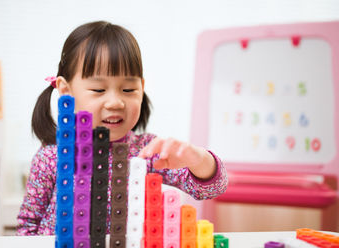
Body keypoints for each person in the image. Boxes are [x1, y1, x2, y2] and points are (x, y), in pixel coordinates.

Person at [16, 21, 227, 236]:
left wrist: (198, 160)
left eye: (128, 89)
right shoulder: (51, 156)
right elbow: (28, 225)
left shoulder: (147, 151)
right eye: (98, 89)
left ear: (141, 89)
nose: (116, 102)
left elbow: (211, 188)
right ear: (65, 91)